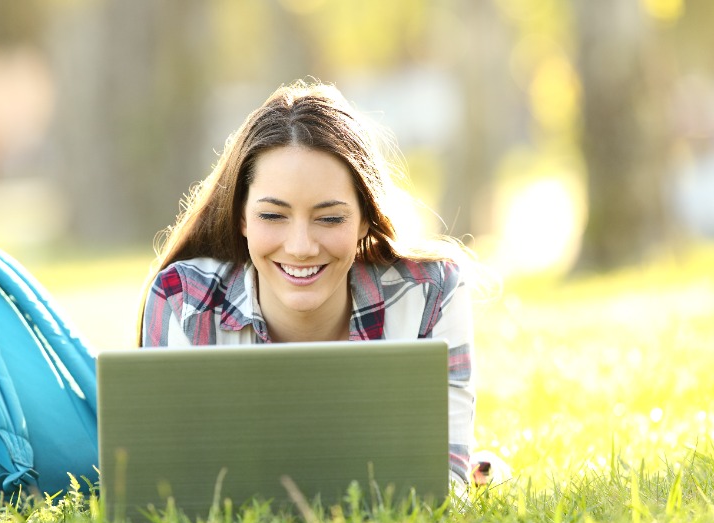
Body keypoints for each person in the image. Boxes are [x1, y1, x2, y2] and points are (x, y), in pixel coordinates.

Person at [138, 79, 486, 494]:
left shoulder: (433, 292)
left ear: (364, 219)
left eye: (330, 218)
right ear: (242, 218)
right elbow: (161, 489)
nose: (301, 247)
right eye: (273, 215)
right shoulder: (183, 299)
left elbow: (445, 486)